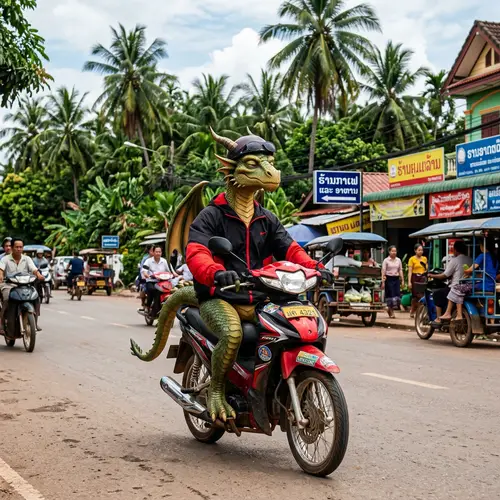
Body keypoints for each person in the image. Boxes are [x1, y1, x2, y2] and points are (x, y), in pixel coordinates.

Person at [440, 241, 496, 322]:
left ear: (482, 246)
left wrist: (467, 271)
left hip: (482, 286)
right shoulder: (494, 258)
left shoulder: (482, 256)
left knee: (456, 288)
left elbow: (470, 269)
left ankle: (455, 314)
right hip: (491, 286)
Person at [0, 238, 45, 334]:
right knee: (7, 298)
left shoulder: (27, 259)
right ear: (12, 248)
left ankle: (35, 321)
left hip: (25, 284)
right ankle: (2, 322)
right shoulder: (5, 259)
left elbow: (34, 269)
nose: (19, 249)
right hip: (9, 285)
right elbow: (1, 270)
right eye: (16, 247)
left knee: (36, 297)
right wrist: (0, 276)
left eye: (21, 247)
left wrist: (39, 275)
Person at [428, 240, 472, 326]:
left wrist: (432, 275)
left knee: (437, 294)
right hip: (468, 286)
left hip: (456, 287)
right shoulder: (471, 259)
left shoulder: (455, 260)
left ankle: (438, 318)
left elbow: (445, 275)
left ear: (455, 250)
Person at [142, 245, 170, 311]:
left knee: (165, 292)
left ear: (161, 253)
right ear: (153, 252)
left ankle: (159, 306)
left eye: (159, 252)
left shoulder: (164, 261)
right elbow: (144, 270)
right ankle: (148, 305)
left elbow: (169, 270)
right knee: (152, 290)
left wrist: (174, 274)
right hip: (151, 281)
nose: (158, 253)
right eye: (156, 252)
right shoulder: (148, 261)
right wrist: (147, 275)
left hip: (161, 282)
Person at [382, 246, 403, 318]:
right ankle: (391, 311)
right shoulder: (386, 260)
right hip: (389, 279)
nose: (394, 253)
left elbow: (400, 270)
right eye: (392, 251)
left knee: (397, 295)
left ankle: (390, 309)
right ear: (389, 252)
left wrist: (402, 280)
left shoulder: (398, 260)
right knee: (390, 295)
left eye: (395, 251)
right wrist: (383, 281)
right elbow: (383, 270)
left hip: (396, 279)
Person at [408, 244, 428, 318]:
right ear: (415, 250)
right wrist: (409, 282)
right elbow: (410, 271)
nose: (420, 251)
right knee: (415, 296)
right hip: (415, 278)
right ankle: (413, 310)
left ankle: (420, 312)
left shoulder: (424, 259)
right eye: (419, 250)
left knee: (422, 295)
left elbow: (426, 269)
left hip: (422, 278)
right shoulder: (412, 259)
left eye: (422, 250)